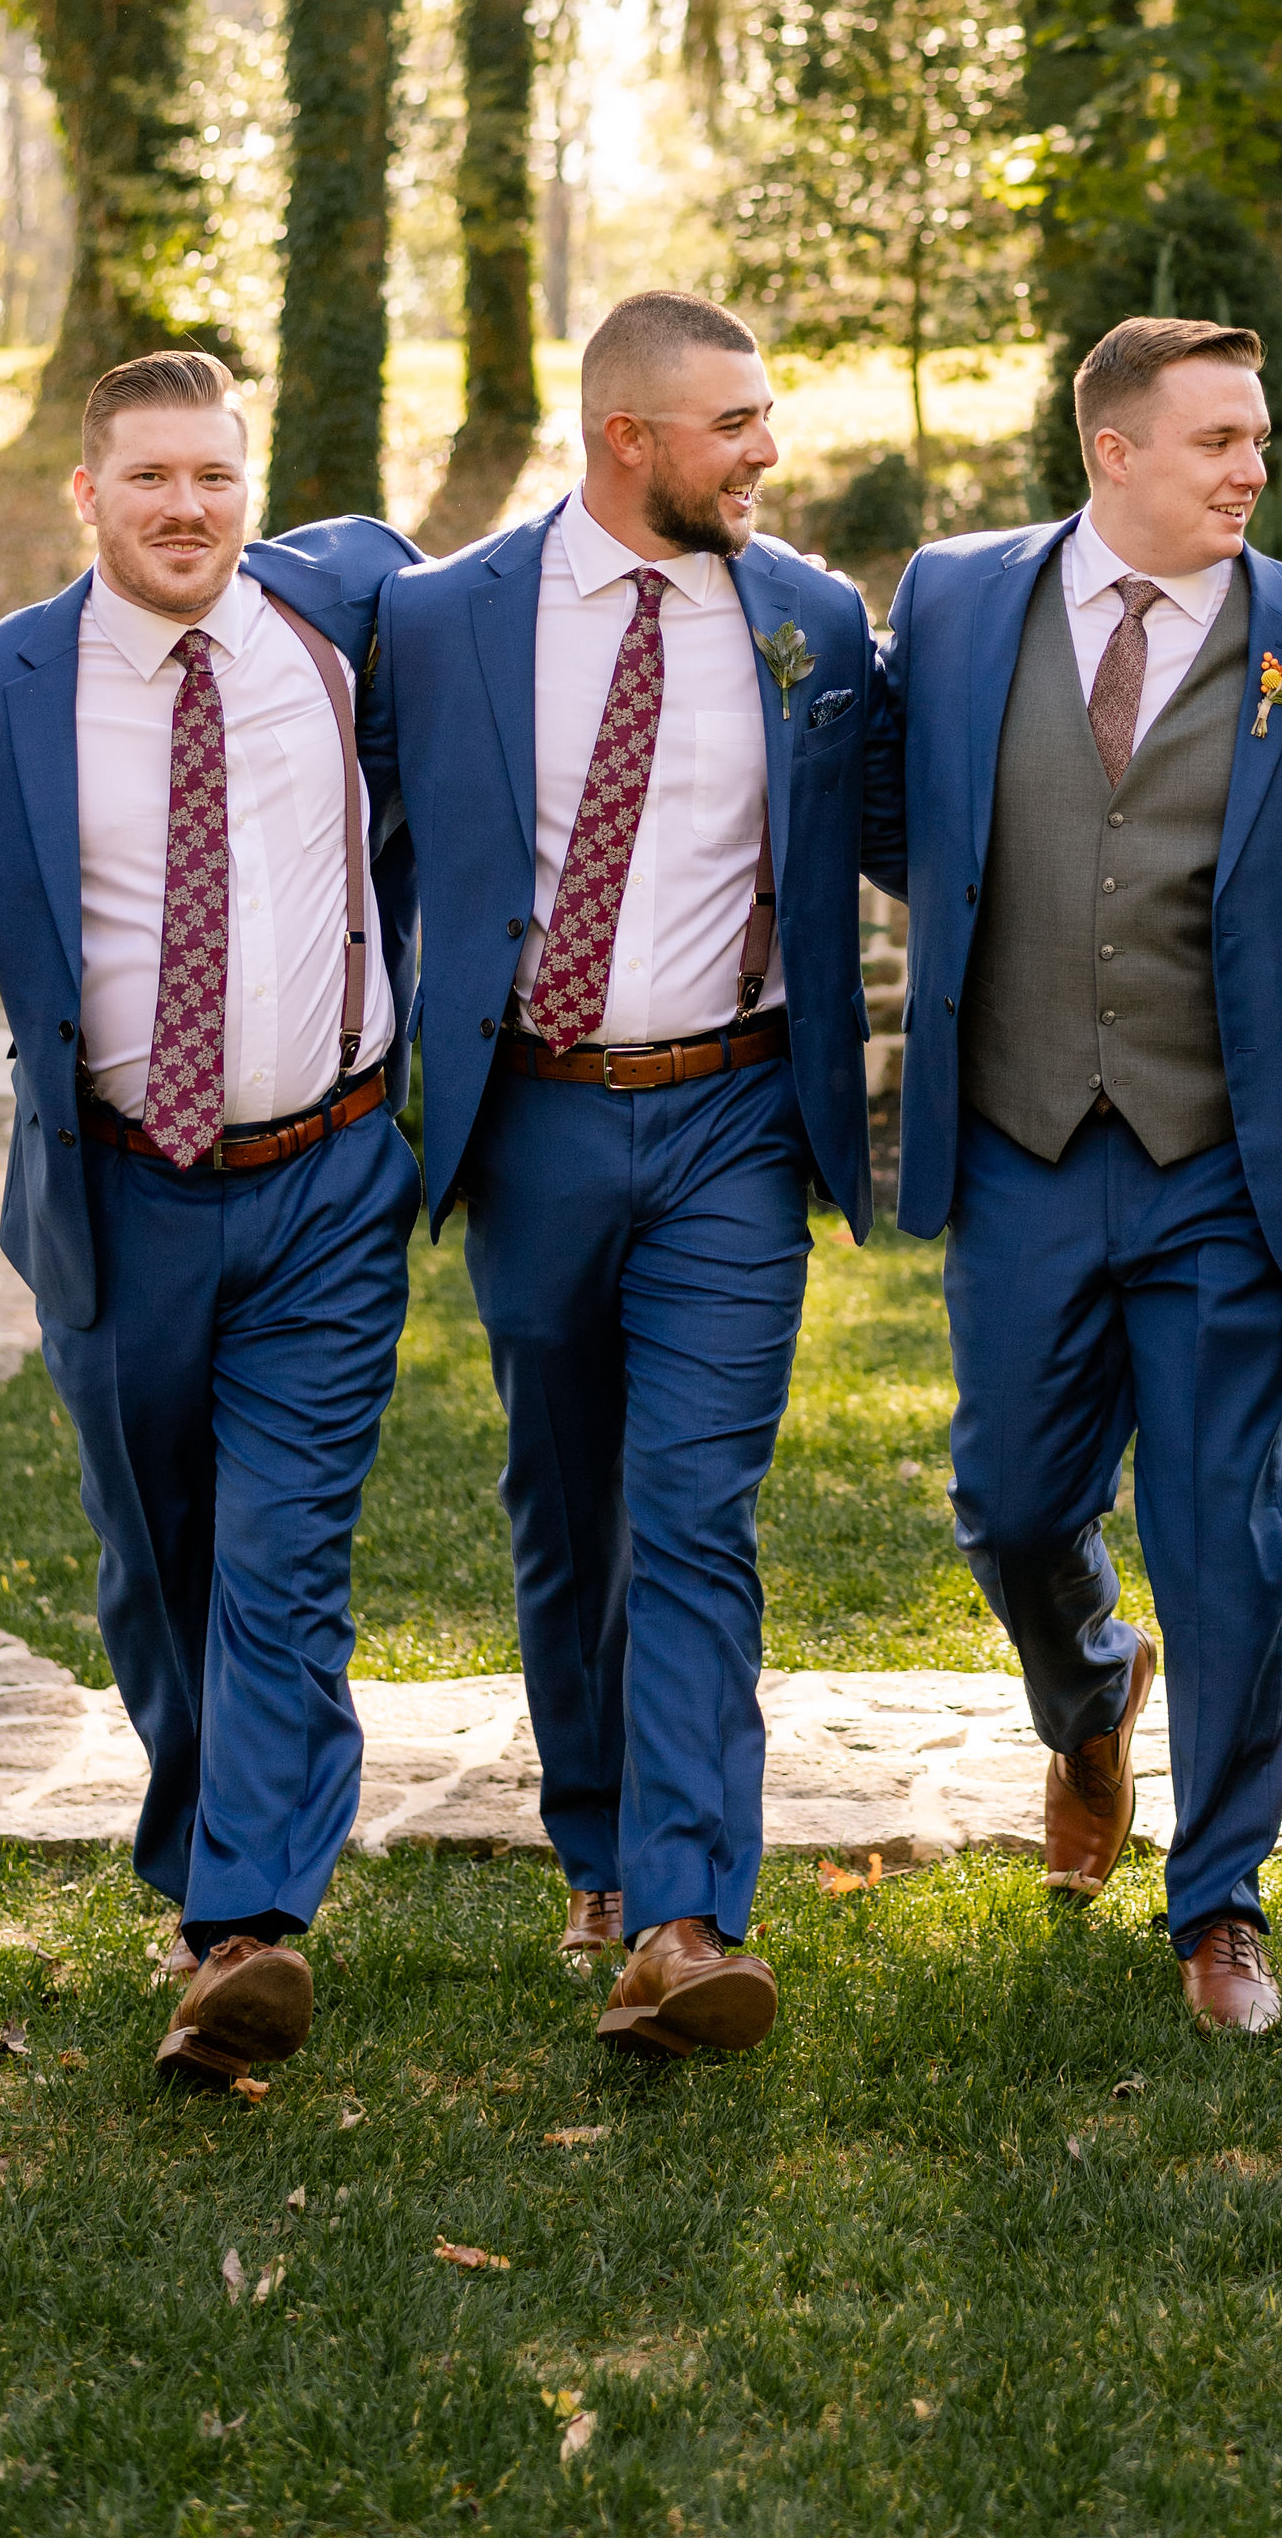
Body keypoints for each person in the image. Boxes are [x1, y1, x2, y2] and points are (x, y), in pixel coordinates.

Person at [369, 291, 898, 2059]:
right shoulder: (442, 618)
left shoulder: (814, 619)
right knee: (564, 1501)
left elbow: (921, 809)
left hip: (736, 1114)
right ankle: (593, 1841)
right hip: (534, 1117)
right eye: (732, 425)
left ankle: (686, 1913)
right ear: (628, 438)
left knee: (693, 1510)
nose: (766, 452)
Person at [877, 316, 1282, 2033]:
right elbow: (897, 812)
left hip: (1226, 1155)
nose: (1256, 468)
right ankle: (1092, 1694)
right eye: (1220, 440)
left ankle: (1222, 1897)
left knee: (1221, 1530)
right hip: (1022, 1139)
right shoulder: (958, 599)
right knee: (1015, 1506)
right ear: (1114, 450)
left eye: (1262, 438)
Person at [0, 352, 421, 2089]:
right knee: (158, 1562)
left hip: (327, 1177)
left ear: (254, 488)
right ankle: (201, 1855)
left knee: (282, 1557)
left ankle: (249, 1923)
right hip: (116, 1188)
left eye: (214, 476)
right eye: (149, 478)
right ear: (87, 495)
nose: (186, 508)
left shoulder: (348, 607)